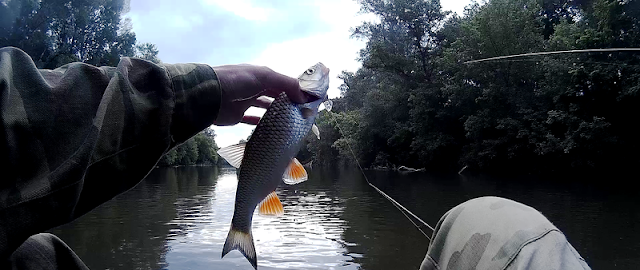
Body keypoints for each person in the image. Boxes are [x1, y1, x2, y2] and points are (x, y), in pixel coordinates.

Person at [1, 46, 592, 270]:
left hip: (264, 167)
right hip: (261, 173)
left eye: (314, 75)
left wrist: (196, 95)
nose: (317, 75)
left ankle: (244, 228)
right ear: (304, 88)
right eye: (311, 74)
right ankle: (243, 231)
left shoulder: (301, 111)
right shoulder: (299, 108)